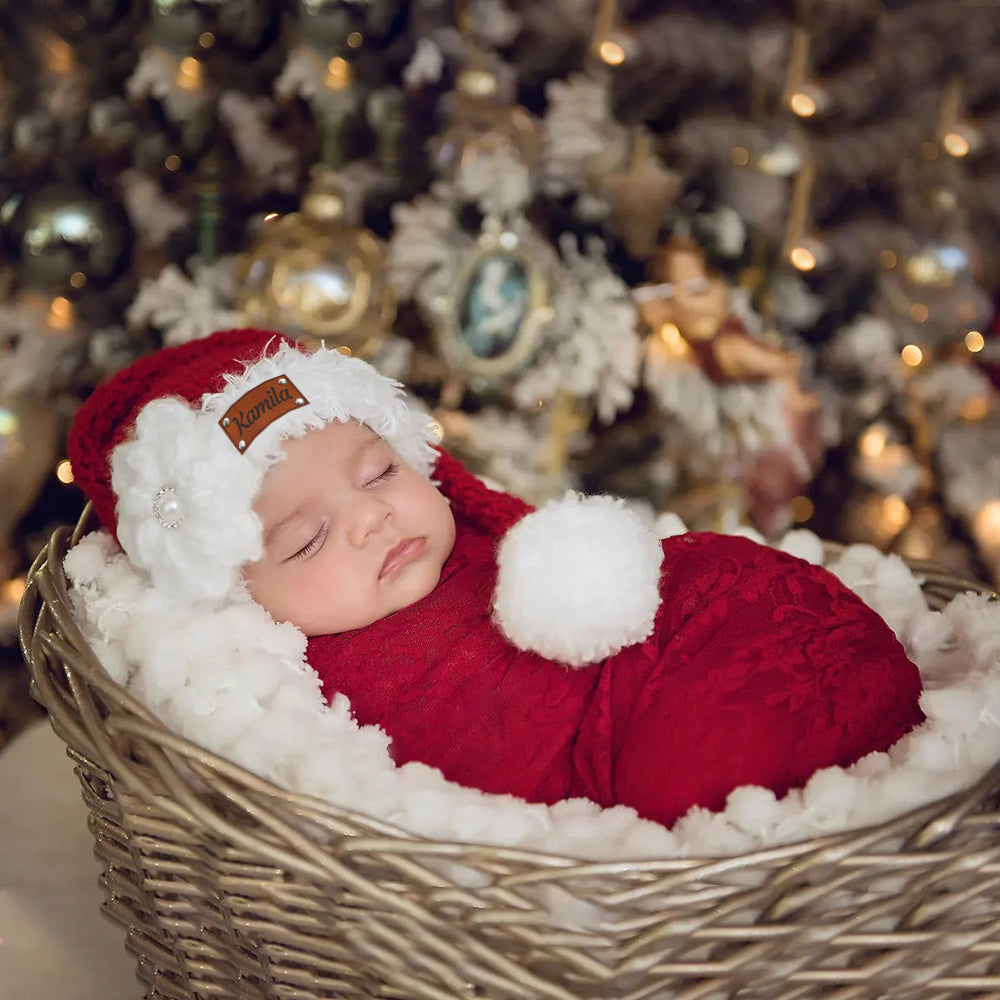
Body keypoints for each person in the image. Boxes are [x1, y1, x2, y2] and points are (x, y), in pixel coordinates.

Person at [67, 327, 924, 829]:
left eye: (380, 476)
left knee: (735, 608)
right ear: (236, 594)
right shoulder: (294, 693)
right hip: (631, 742)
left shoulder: (487, 540)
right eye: (307, 539)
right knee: (700, 769)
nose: (372, 519)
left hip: (705, 620)